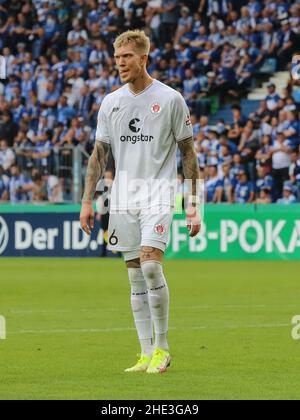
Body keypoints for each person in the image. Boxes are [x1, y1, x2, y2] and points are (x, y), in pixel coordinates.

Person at [80, 30, 201, 374]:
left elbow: (188, 152)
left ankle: (162, 348)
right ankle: (145, 352)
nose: (119, 63)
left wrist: (193, 203)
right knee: (134, 277)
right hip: (123, 197)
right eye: (116, 57)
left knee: (151, 265)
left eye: (126, 57)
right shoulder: (111, 102)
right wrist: (87, 200)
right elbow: (99, 154)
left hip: (159, 193)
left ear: (143, 58)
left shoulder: (171, 98)